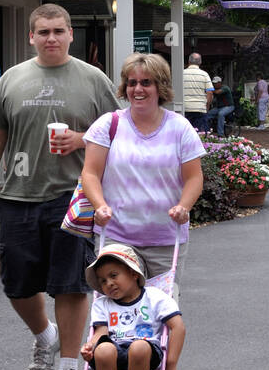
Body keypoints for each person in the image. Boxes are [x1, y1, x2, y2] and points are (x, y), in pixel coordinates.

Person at [0, 4, 121, 370]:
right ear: (31, 36)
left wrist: (82, 138)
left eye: (58, 31)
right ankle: (45, 337)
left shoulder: (94, 80)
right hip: (18, 196)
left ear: (71, 34)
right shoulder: (11, 79)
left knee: (71, 286)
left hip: (73, 198)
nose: (50, 38)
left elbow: (119, 134)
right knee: (17, 284)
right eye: (43, 32)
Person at [80, 53, 205, 284]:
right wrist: (100, 206)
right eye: (132, 82)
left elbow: (194, 177)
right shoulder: (108, 125)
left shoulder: (180, 128)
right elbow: (90, 173)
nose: (138, 89)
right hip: (116, 237)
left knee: (161, 313)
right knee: (117, 311)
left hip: (166, 240)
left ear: (160, 87)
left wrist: (183, 206)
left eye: (146, 82)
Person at [80, 244, 184, 370]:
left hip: (146, 351)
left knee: (139, 347)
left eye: (113, 276)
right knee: (103, 349)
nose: (108, 283)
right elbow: (100, 332)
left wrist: (171, 364)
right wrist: (90, 345)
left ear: (133, 274)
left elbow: (177, 327)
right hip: (114, 349)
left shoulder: (154, 297)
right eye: (103, 281)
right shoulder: (102, 304)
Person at [182, 53, 212, 132]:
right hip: (200, 109)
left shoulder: (181, 74)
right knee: (200, 135)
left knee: (185, 134)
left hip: (185, 109)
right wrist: (207, 107)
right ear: (200, 62)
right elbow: (210, 93)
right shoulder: (205, 75)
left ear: (189, 61)